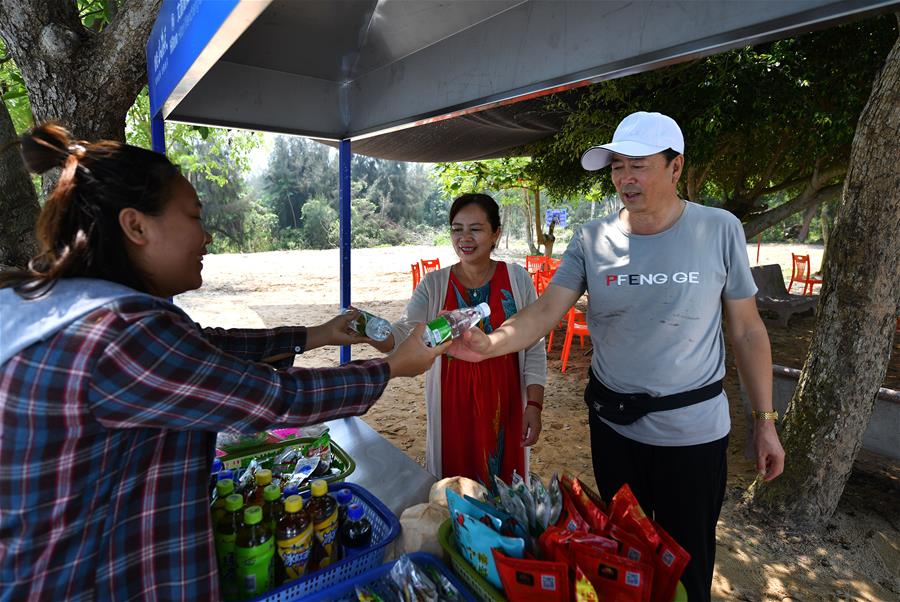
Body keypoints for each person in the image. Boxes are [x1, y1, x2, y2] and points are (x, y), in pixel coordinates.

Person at [0, 124, 445, 600]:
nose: (207, 235)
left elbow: (200, 349)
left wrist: (315, 334)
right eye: (194, 216)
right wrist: (393, 366)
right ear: (136, 226)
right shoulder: (120, 333)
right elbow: (276, 400)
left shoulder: (64, 306)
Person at [450, 112, 785, 602]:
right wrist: (490, 343)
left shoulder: (719, 229)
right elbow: (546, 309)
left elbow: (748, 329)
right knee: (622, 558)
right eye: (617, 166)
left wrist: (765, 419)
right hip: (615, 428)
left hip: (693, 432)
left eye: (639, 165)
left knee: (687, 562)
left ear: (676, 168)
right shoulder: (592, 238)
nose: (625, 178)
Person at [368, 193, 547, 488]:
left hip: (508, 404)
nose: (464, 237)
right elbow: (403, 335)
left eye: (475, 229)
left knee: (505, 489)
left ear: (495, 234)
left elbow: (534, 347)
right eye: (457, 228)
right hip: (451, 406)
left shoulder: (517, 280)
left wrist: (534, 405)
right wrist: (369, 329)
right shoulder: (434, 284)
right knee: (452, 491)